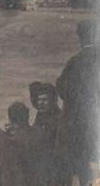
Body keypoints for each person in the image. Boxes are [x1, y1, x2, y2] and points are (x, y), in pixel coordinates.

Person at [55, 19, 100, 186]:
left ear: (80, 38)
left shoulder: (76, 62)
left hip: (80, 123)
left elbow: (62, 90)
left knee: (81, 168)